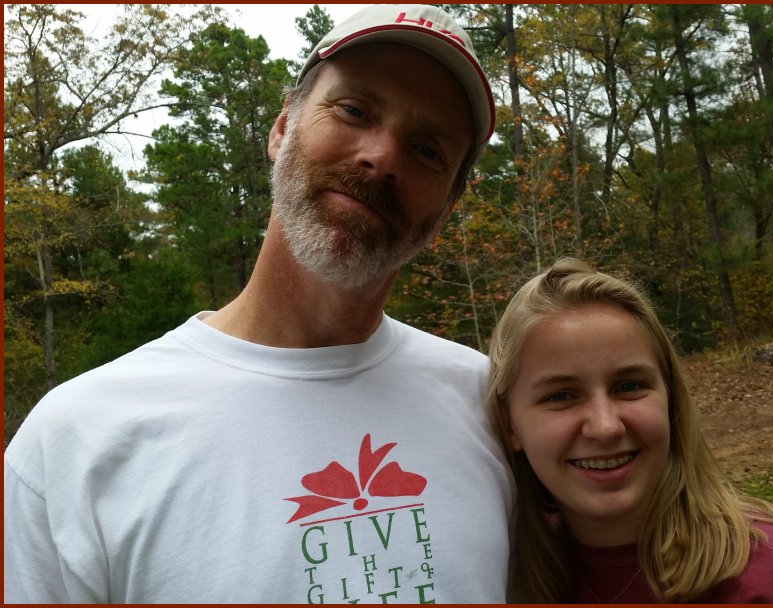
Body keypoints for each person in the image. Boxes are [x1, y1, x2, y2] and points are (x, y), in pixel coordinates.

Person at [4, 5, 514, 603]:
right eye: (354, 111)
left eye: (427, 150)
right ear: (282, 128)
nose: (381, 158)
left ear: (447, 207)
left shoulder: (493, 410)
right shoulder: (77, 443)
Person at [486, 257, 773, 603]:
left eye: (629, 386)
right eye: (561, 396)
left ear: (670, 397)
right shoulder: (496, 578)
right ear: (510, 424)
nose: (606, 427)